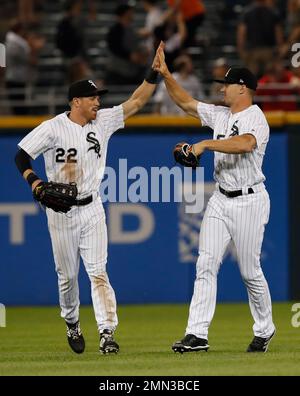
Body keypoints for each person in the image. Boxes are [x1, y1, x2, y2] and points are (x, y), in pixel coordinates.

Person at [14, 44, 163, 355]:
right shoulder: (53, 128)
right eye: (93, 97)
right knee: (67, 277)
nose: (98, 101)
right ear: (76, 101)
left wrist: (153, 73)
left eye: (99, 97)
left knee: (98, 272)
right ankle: (72, 322)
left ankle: (107, 333)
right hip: (60, 211)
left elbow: (136, 102)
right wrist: (35, 181)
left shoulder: (103, 122)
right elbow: (21, 156)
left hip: (92, 206)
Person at [154, 44, 276, 353]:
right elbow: (185, 101)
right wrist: (166, 74)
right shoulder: (220, 115)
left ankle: (265, 328)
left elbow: (246, 144)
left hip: (250, 200)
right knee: (205, 263)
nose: (220, 88)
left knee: (250, 271)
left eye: (226, 84)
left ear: (243, 88)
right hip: (221, 199)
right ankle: (197, 334)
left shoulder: (255, 116)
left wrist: (205, 145)